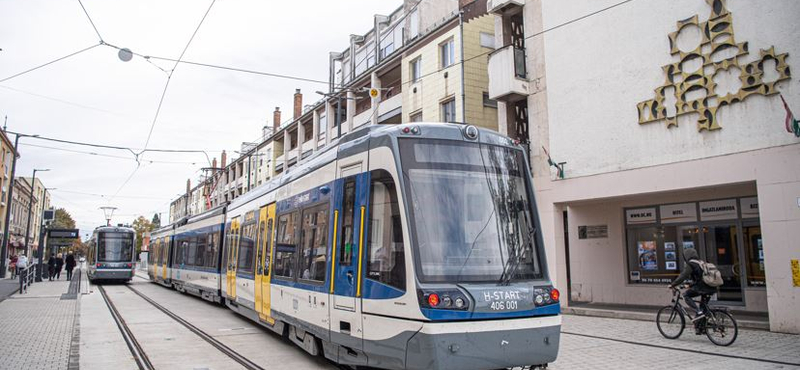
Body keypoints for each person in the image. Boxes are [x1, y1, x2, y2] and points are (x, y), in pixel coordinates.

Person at [669, 248, 717, 323]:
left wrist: (673, 284)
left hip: (703, 288)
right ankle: (701, 327)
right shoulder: (701, 262)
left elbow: (683, 275)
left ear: (686, 256)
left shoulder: (691, 264)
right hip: (711, 287)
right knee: (703, 307)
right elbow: (700, 278)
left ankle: (698, 312)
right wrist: (690, 285)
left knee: (686, 295)